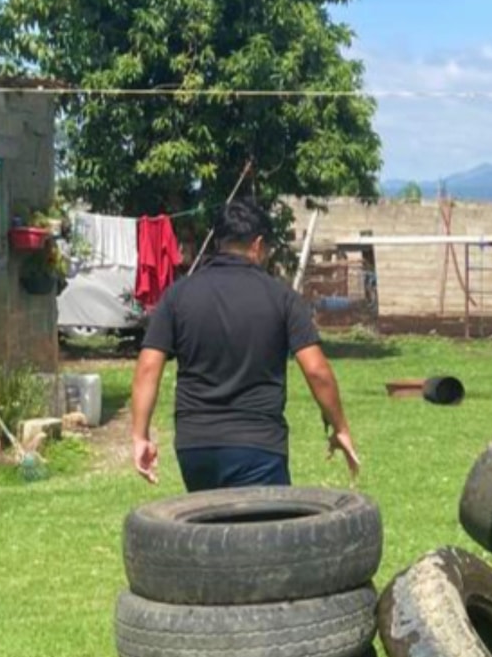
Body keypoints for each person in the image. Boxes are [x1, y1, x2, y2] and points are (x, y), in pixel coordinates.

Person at [129, 196, 361, 491]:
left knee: (211, 520)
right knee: (263, 521)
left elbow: (148, 368)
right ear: (258, 245)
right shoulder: (281, 298)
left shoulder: (178, 295)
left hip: (195, 447)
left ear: (219, 242)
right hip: (258, 446)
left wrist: (140, 436)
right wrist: (340, 427)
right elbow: (316, 370)